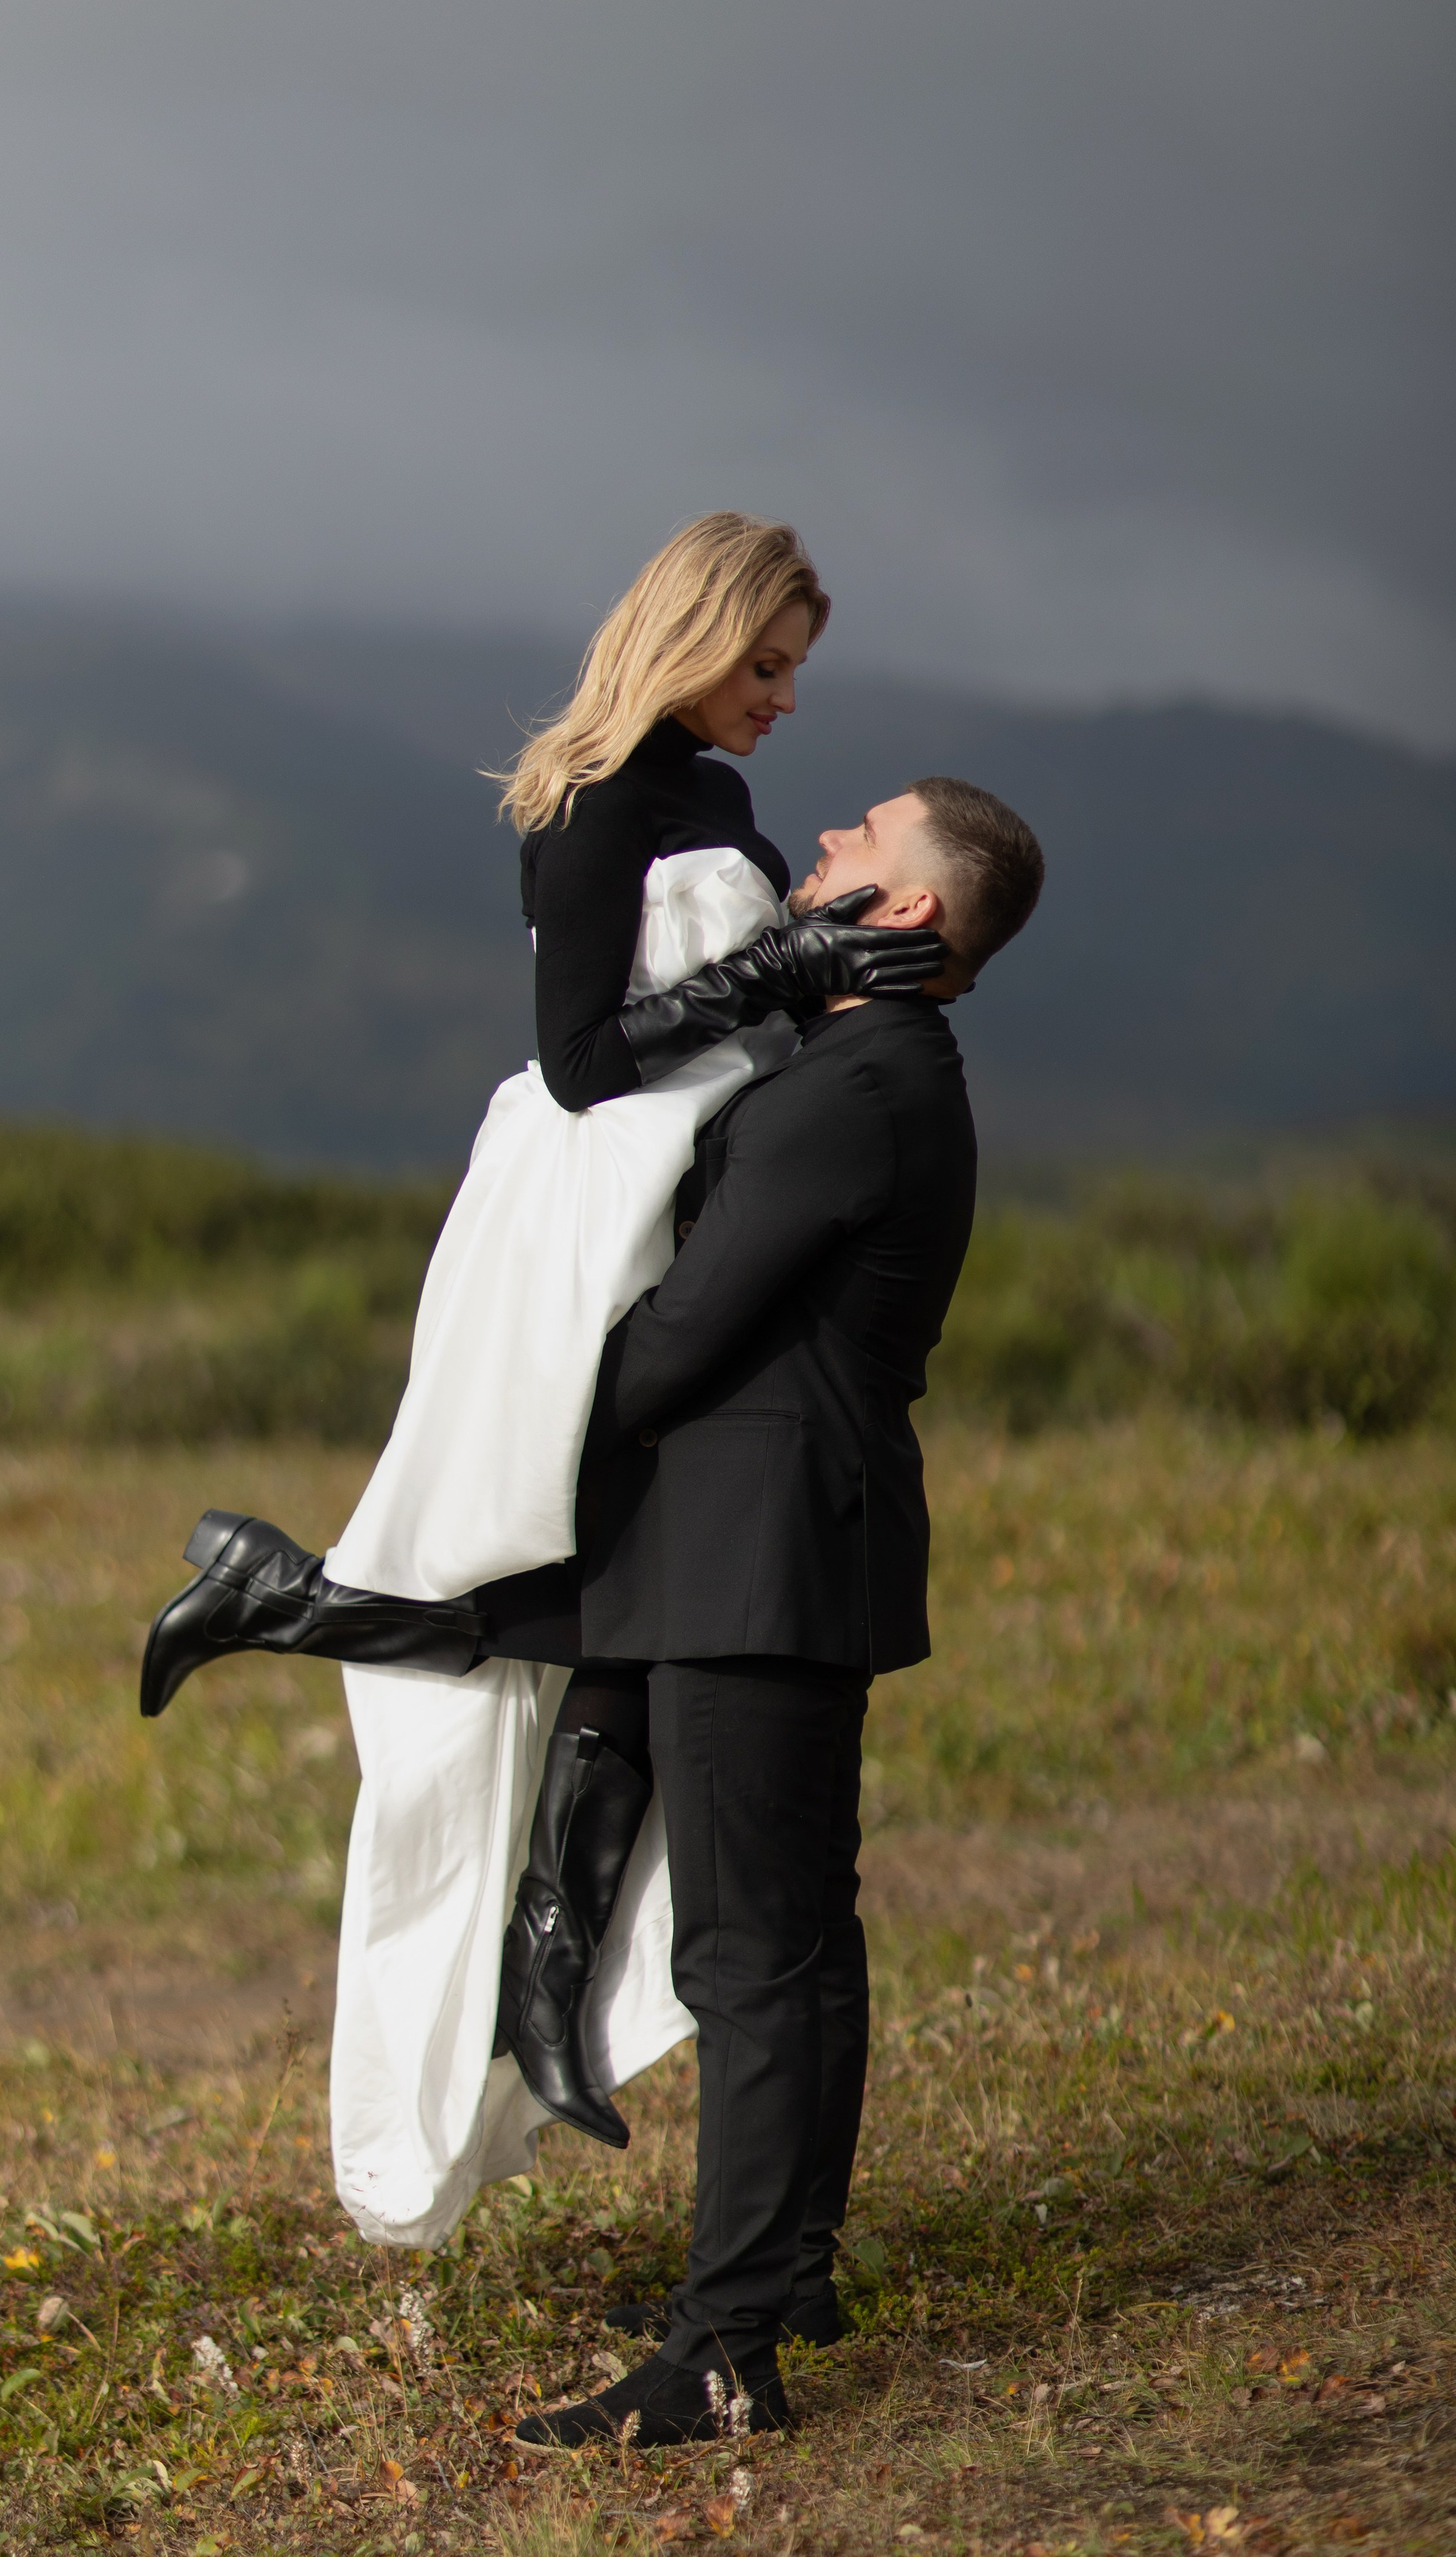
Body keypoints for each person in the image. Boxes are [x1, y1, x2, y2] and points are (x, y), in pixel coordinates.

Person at [137, 516, 942, 2245]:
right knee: (583, 1563)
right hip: (591, 1201)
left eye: (793, 670)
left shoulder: (717, 796)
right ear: (694, 638)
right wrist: (781, 972)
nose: (784, 699)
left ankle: (530, 1941)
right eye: (765, 665)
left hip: (690, 1182)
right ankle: (316, 1635)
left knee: (627, 1577)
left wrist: (814, 1019)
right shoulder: (586, 809)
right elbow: (579, 1063)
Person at [505, 776, 1045, 2449]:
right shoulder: (880, 1073)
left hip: (754, 1559)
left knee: (748, 1956)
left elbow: (680, 1335)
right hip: (789, 1545)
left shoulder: (849, 1092)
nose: (816, 853)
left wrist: (521, 1402)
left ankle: (723, 2351)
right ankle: (780, 2281)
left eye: (853, 846)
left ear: (907, 912)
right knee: (799, 1940)